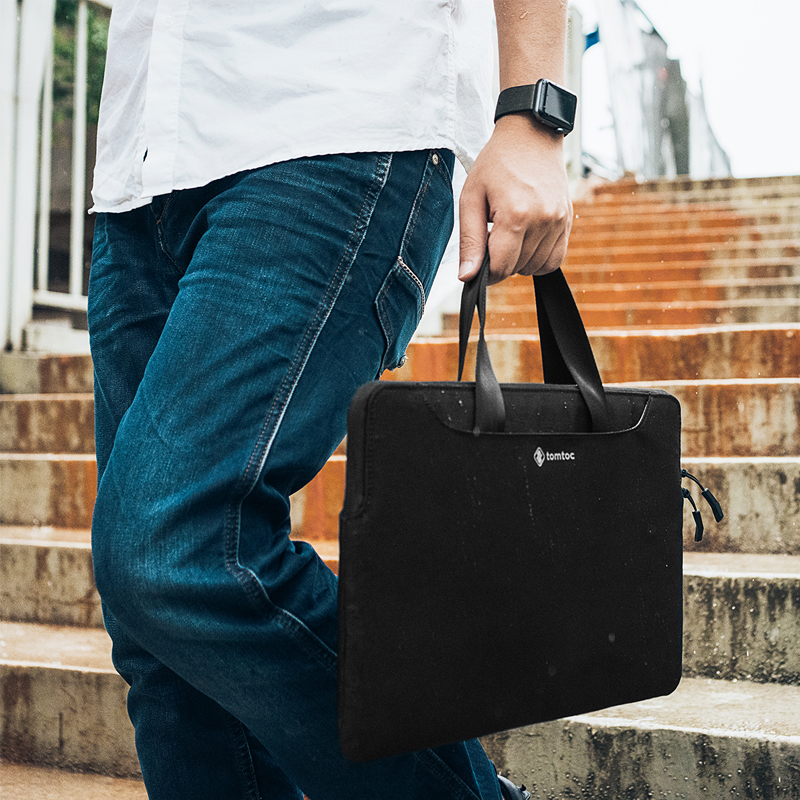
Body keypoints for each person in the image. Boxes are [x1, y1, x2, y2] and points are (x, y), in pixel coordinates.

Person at [87, 1, 573, 798]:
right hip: (141, 161)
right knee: (160, 639)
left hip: (334, 119)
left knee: (179, 549)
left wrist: (534, 112)